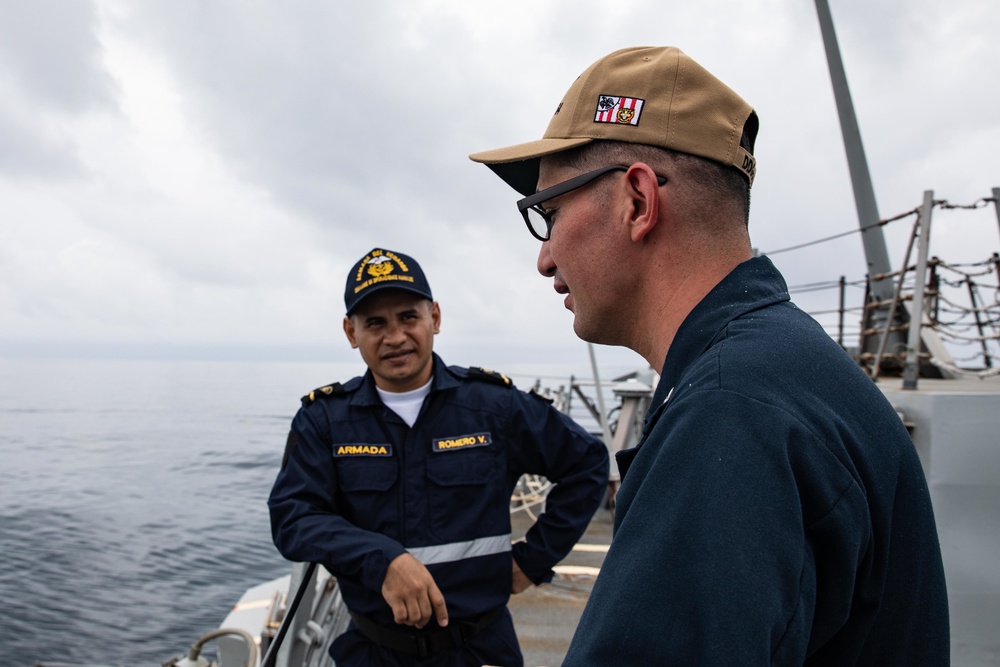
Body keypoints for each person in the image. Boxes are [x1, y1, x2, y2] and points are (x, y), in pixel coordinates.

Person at [470, 46, 949, 665]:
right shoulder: (784, 369)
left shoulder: (729, 414)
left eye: (548, 213)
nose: (544, 258)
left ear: (637, 201)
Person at [268, 247, 609, 667]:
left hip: (480, 649)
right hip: (373, 652)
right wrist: (382, 559)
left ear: (435, 317)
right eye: (375, 323)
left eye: (408, 317)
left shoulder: (493, 407)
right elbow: (292, 517)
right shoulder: (324, 421)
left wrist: (532, 559)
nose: (394, 337)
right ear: (350, 332)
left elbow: (588, 462)